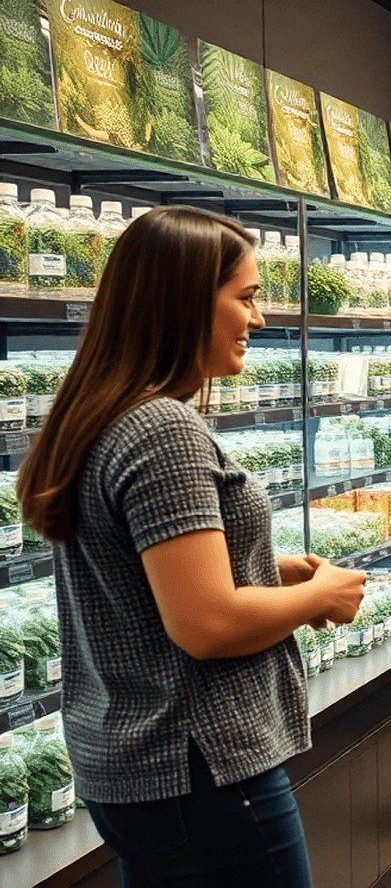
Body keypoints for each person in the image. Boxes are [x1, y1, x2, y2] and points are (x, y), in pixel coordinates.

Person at [16, 206, 368, 887]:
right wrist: (316, 597)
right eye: (246, 298)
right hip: (200, 765)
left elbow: (144, 580)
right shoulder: (162, 430)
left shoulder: (104, 414)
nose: (258, 321)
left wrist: (273, 571)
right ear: (182, 303)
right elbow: (205, 625)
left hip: (132, 766)